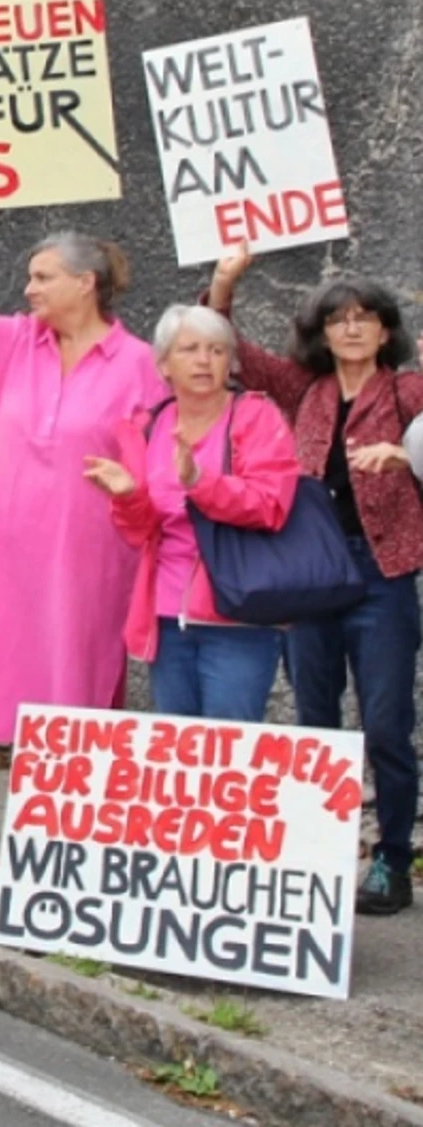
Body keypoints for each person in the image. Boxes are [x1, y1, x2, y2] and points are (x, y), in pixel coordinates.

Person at [210, 247, 423, 914]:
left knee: (386, 724)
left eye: (365, 318)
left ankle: (391, 858)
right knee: (315, 723)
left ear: (385, 330)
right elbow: (230, 350)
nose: (352, 328)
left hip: (382, 572)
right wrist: (223, 282)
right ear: (323, 331)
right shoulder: (306, 389)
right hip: (312, 576)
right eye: (339, 318)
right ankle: (318, 857)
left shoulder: (408, 391)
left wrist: (407, 450)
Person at [0, 198, 163, 762]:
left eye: (42, 277)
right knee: (15, 684)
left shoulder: (140, 363)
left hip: (85, 555)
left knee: (75, 685)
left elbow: (155, 460)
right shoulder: (13, 341)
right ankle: (32, 836)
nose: (28, 289)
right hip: (3, 549)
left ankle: (71, 832)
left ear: (85, 283)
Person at [82, 306, 296, 722]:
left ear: (230, 363)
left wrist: (199, 481)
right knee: (179, 748)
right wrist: (127, 497)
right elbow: (140, 532)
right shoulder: (147, 426)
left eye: (217, 350)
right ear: (164, 364)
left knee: (228, 747)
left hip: (237, 610)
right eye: (190, 349)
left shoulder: (256, 416)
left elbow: (270, 505)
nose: (204, 360)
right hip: (165, 611)